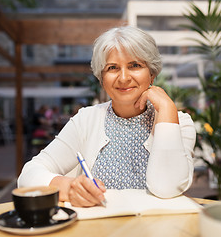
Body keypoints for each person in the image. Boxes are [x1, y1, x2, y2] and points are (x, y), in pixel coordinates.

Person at [18, 26, 196, 207]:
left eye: (135, 65)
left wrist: (166, 109)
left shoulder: (179, 122)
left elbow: (167, 188)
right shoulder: (85, 120)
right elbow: (28, 175)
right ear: (102, 79)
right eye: (113, 68)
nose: (124, 78)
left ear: (152, 74)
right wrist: (69, 187)